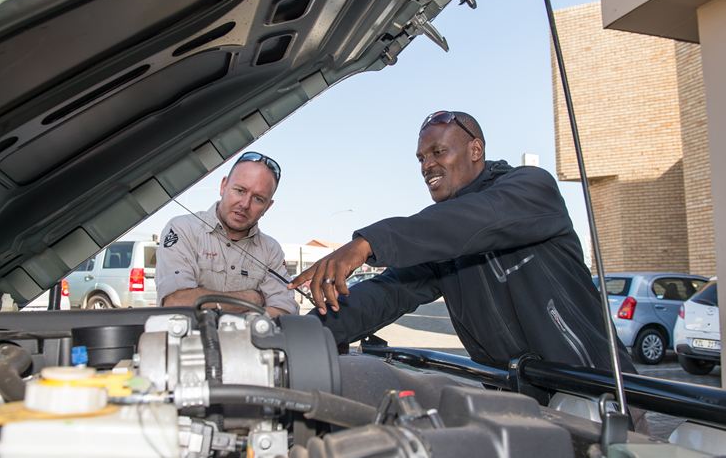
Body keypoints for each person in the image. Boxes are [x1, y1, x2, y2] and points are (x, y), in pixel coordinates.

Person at [289, 111, 636, 372]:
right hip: (525, 403)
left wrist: (366, 243)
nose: (428, 165)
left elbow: (477, 218)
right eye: (422, 158)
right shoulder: (442, 239)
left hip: (599, 390)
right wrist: (295, 334)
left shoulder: (532, 189)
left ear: (476, 149)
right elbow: (385, 293)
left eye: (438, 152)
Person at [156, 151, 299, 317]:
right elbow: (177, 303)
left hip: (249, 343)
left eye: (258, 199)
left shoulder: (271, 249)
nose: (245, 204)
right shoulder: (183, 229)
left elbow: (285, 310)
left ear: (268, 206)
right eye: (240, 190)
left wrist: (209, 303)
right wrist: (253, 299)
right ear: (223, 186)